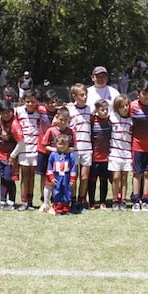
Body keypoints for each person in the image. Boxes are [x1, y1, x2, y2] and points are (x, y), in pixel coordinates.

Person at [129, 85, 148, 211]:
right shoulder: (132, 106)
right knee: (137, 173)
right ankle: (136, 199)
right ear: (138, 94)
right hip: (137, 146)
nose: (147, 96)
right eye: (144, 93)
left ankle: (146, 199)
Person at [39, 106, 75, 213]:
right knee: (49, 183)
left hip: (65, 162)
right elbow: (44, 145)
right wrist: (56, 150)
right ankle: (45, 204)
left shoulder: (70, 131)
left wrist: (66, 149)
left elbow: (74, 147)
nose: (63, 122)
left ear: (69, 119)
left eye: (65, 120)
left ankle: (62, 205)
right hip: (53, 159)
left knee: (63, 185)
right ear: (57, 118)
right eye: (61, 119)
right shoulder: (51, 130)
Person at [15, 88, 44, 211]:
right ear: (23, 101)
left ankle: (31, 201)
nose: (30, 104)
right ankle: (23, 201)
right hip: (23, 148)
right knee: (24, 176)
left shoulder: (40, 112)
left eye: (33, 101)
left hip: (35, 148)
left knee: (32, 176)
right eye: (28, 102)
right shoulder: (18, 111)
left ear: (37, 101)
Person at [67, 83, 92, 213]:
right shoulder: (70, 111)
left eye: (85, 94)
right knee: (74, 177)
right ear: (74, 96)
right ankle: (73, 200)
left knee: (84, 177)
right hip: (74, 149)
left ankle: (82, 200)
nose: (85, 97)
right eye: (82, 95)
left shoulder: (90, 109)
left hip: (87, 148)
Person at [0, 100, 24, 210]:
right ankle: (2, 201)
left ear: (12, 112)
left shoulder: (14, 125)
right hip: (0, 155)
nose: (6, 115)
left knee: (9, 179)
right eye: (3, 112)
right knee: (2, 179)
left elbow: (21, 142)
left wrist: (13, 156)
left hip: (10, 157)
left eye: (8, 112)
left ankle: (11, 202)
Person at [108, 94, 133, 211]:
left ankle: (123, 199)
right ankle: (114, 200)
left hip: (127, 153)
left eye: (127, 105)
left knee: (124, 177)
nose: (125, 108)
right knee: (116, 177)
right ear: (117, 107)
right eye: (122, 106)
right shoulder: (112, 117)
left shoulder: (131, 120)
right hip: (115, 152)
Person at [88, 99, 112, 209]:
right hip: (94, 158)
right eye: (102, 109)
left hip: (106, 158)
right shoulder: (92, 120)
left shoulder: (109, 121)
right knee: (92, 181)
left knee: (104, 180)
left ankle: (103, 201)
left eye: (106, 109)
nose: (105, 111)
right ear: (97, 110)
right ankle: (92, 202)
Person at [46, 134, 76, 215]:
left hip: (66, 176)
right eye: (60, 144)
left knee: (67, 192)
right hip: (57, 176)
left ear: (68, 145)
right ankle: (58, 209)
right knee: (57, 191)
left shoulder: (71, 155)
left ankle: (66, 208)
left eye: (65, 144)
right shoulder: (53, 155)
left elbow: (73, 168)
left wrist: (72, 179)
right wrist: (51, 177)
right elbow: (49, 167)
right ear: (56, 144)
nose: (62, 146)